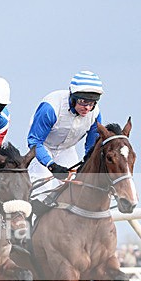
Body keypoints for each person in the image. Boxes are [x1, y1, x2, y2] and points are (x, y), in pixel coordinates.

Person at [27, 70, 104, 205]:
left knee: (74, 190)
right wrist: (51, 165)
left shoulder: (95, 114)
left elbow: (91, 147)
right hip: (42, 148)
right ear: (73, 97)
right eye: (83, 102)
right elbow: (34, 142)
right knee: (42, 190)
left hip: (67, 150)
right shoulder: (50, 108)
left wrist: (87, 163)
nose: (87, 108)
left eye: (92, 103)